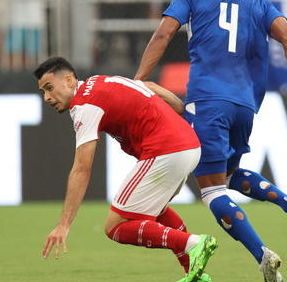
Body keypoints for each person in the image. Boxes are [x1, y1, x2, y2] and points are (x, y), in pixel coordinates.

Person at [134, 0, 287, 282]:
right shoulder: (258, 2)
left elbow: (163, 35)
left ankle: (262, 255)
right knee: (229, 174)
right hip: (245, 105)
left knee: (210, 189)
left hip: (208, 99)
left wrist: (138, 79)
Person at [36, 57, 217, 282]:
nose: (47, 97)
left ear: (69, 80)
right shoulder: (101, 81)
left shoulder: (84, 105)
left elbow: (81, 169)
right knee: (155, 211)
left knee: (116, 226)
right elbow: (149, 86)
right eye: (43, 92)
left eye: (50, 88)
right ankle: (195, 273)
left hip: (165, 150)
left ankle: (193, 243)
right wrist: (179, 108)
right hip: (188, 145)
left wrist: (63, 225)